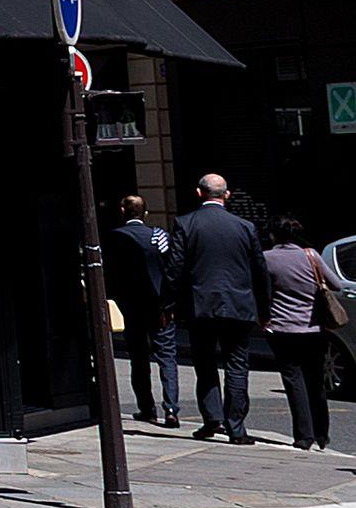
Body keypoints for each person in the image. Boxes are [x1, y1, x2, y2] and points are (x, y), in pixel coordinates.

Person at [170, 172, 271, 444]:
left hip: (200, 305)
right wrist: (265, 310)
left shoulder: (185, 224)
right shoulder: (245, 227)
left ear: (199, 193)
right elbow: (260, 271)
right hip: (238, 306)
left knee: (204, 364)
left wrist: (169, 304)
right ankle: (236, 427)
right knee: (237, 365)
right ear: (226, 195)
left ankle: (212, 419)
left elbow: (175, 269)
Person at [104, 194, 179, 427]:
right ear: (145, 213)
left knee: (138, 358)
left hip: (131, 306)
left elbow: (110, 274)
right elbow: (171, 270)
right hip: (160, 307)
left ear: (122, 211)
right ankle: (171, 408)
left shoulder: (114, 238)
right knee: (167, 357)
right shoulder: (159, 236)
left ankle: (146, 408)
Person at [259, 215, 332, 453]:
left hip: (282, 328)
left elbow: (260, 292)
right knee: (316, 380)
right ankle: (322, 434)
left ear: (272, 235)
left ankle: (304, 436)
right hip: (313, 328)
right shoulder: (311, 255)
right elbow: (336, 285)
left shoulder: (267, 259)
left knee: (294, 381)